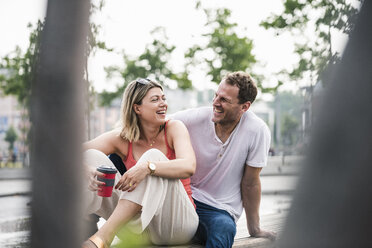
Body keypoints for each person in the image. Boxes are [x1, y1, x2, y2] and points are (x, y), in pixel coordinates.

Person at [81, 78, 198, 248]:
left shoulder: (174, 128)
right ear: (137, 108)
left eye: (163, 98)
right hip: (140, 228)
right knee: (90, 156)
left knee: (153, 157)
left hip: (176, 225)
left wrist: (147, 167)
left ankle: (103, 237)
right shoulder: (122, 137)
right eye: (155, 99)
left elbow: (189, 166)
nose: (163, 103)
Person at [170, 71, 276, 247]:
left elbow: (250, 183)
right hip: (184, 199)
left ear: (245, 107)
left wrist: (254, 228)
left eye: (224, 100)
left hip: (219, 210)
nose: (215, 103)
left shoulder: (257, 130)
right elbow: (153, 123)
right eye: (216, 95)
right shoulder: (196, 118)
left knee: (224, 228)